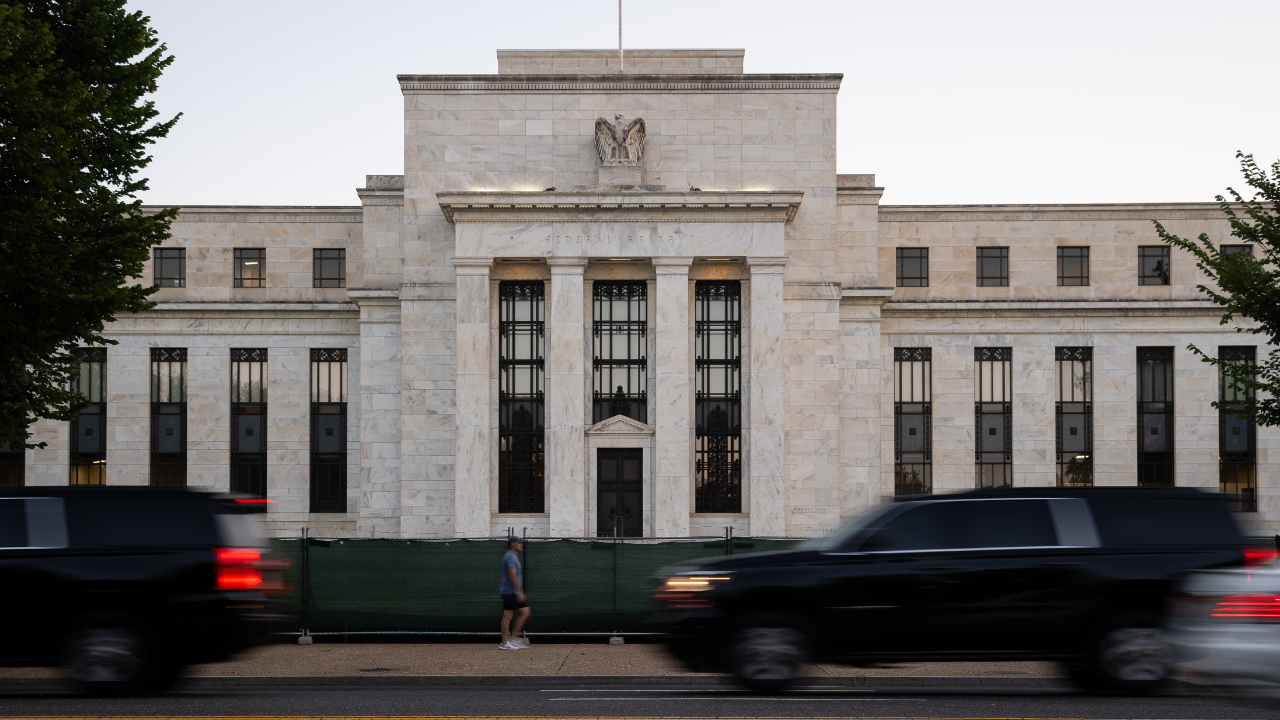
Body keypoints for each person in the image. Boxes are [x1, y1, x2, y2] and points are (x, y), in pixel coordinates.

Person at [499, 536, 530, 650]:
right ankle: (504, 643)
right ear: (512, 544)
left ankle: (514, 638)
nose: (521, 544)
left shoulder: (513, 556)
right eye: (518, 542)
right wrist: (519, 591)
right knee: (508, 616)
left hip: (515, 592)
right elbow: (512, 575)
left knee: (525, 612)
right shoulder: (510, 556)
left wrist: (519, 592)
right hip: (510, 591)